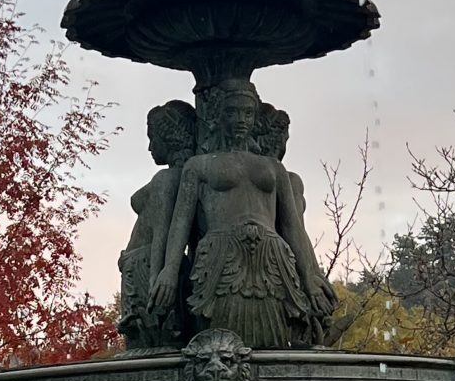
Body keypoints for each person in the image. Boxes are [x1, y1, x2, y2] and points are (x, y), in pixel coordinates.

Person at [151, 84, 337, 349]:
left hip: (272, 261)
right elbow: (180, 223)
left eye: (247, 113)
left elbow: (293, 226)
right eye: (233, 112)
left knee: (272, 342)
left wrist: (311, 275)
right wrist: (169, 270)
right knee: (218, 343)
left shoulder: (274, 168)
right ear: (218, 116)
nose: (241, 120)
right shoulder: (198, 166)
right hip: (220, 261)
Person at [116, 101, 198, 350]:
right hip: (146, 265)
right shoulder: (183, 176)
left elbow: (162, 230)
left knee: (149, 348)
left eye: (154, 138)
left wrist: (156, 277)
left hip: (147, 268)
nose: (151, 147)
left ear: (169, 137)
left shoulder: (166, 179)